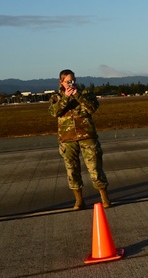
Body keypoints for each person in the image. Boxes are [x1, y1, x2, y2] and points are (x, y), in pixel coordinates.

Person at [48, 70, 112, 210]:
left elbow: (91, 108)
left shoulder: (86, 94)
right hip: (67, 139)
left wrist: (77, 95)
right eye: (67, 81)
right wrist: (65, 98)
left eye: (72, 81)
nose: (70, 84)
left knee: (95, 169)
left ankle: (104, 197)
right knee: (72, 171)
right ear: (61, 82)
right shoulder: (56, 97)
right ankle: (79, 200)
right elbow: (54, 112)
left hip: (87, 137)